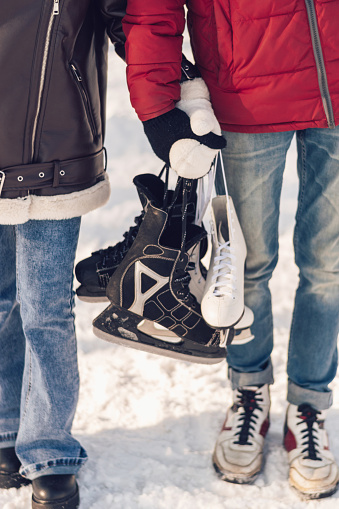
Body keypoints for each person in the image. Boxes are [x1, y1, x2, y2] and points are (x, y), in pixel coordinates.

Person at [118, 0, 339, 500]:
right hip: (247, 92)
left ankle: (308, 405)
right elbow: (153, 8)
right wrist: (156, 106)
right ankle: (248, 391)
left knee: (330, 267)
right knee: (242, 265)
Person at [0, 2, 127, 508]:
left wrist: (175, 84)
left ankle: (50, 450)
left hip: (58, 143)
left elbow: (127, 17)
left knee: (45, 307)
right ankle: (7, 426)